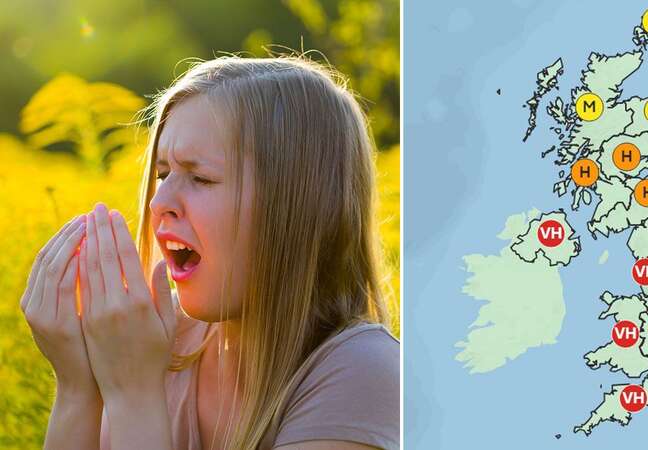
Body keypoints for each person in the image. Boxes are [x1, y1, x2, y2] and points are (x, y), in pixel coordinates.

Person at [20, 55, 400, 450]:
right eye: (163, 174)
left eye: (200, 178)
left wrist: (134, 394)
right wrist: (79, 388)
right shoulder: (159, 342)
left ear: (298, 207)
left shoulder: (360, 372)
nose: (158, 202)